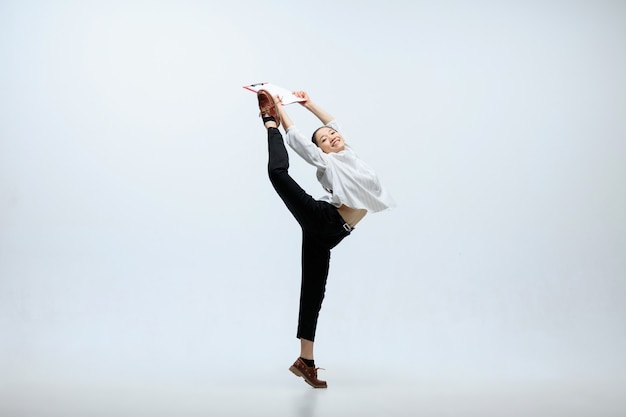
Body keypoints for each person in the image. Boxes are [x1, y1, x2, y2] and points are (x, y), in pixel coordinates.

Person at [257, 89, 395, 388]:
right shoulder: (329, 162)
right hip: (322, 219)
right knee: (278, 173)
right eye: (324, 140)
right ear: (321, 150)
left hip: (332, 236)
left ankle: (305, 361)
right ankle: (268, 125)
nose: (331, 137)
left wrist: (308, 105)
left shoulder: (351, 155)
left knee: (313, 294)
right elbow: (297, 138)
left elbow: (334, 123)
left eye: (332, 135)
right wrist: (279, 112)